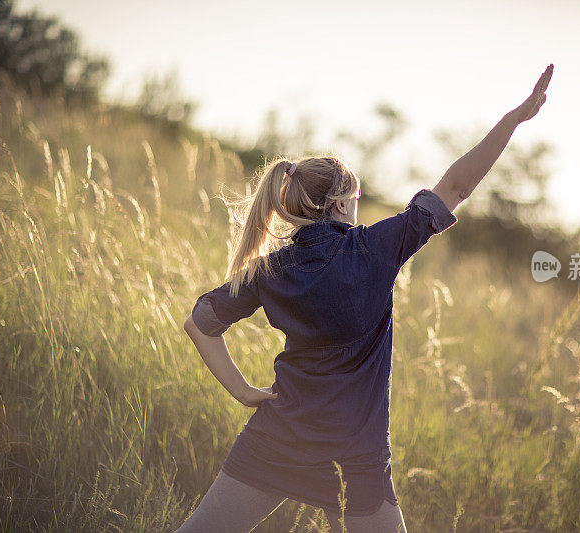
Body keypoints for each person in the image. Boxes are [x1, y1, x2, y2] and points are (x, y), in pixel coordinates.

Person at [176, 64, 554, 533]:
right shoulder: (374, 248)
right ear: (339, 204)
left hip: (277, 438)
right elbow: (457, 186)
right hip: (353, 459)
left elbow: (201, 323)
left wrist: (243, 392)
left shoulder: (270, 269)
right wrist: (514, 120)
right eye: (354, 198)